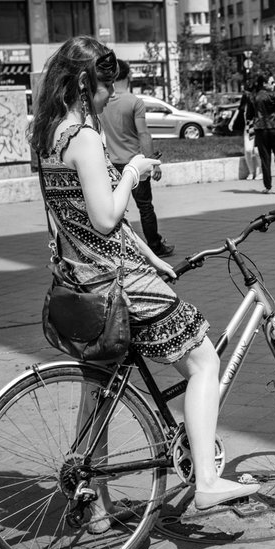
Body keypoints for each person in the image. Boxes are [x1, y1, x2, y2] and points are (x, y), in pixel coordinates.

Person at [30, 37, 260, 523]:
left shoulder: (47, 134)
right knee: (204, 362)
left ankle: (94, 499)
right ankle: (207, 481)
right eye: (105, 87)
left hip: (81, 284)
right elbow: (105, 217)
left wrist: (151, 256)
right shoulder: (83, 138)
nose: (109, 96)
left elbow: (77, 217)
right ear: (84, 83)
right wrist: (133, 171)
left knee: (99, 389)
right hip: (119, 284)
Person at [99, 59, 175, 258]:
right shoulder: (134, 102)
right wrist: (153, 163)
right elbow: (143, 134)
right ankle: (155, 246)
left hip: (112, 165)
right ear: (129, 76)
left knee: (115, 209)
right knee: (145, 207)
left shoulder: (103, 102)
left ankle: (115, 249)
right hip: (135, 165)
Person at [252, 72, 275, 194]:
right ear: (264, 84)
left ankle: (267, 186)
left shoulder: (255, 96)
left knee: (265, 158)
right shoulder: (274, 95)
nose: (274, 85)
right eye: (271, 82)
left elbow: (252, 113)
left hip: (260, 129)